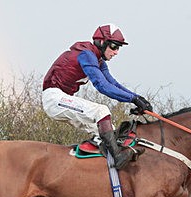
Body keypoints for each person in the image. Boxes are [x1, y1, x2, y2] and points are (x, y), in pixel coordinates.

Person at [42, 23, 152, 169]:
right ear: (101, 42)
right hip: (54, 98)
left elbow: (113, 84)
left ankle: (97, 170)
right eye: (114, 46)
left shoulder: (98, 60)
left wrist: (138, 98)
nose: (116, 52)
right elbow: (102, 86)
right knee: (101, 111)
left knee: (109, 132)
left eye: (119, 48)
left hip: (62, 100)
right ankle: (118, 159)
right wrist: (132, 99)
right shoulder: (86, 54)